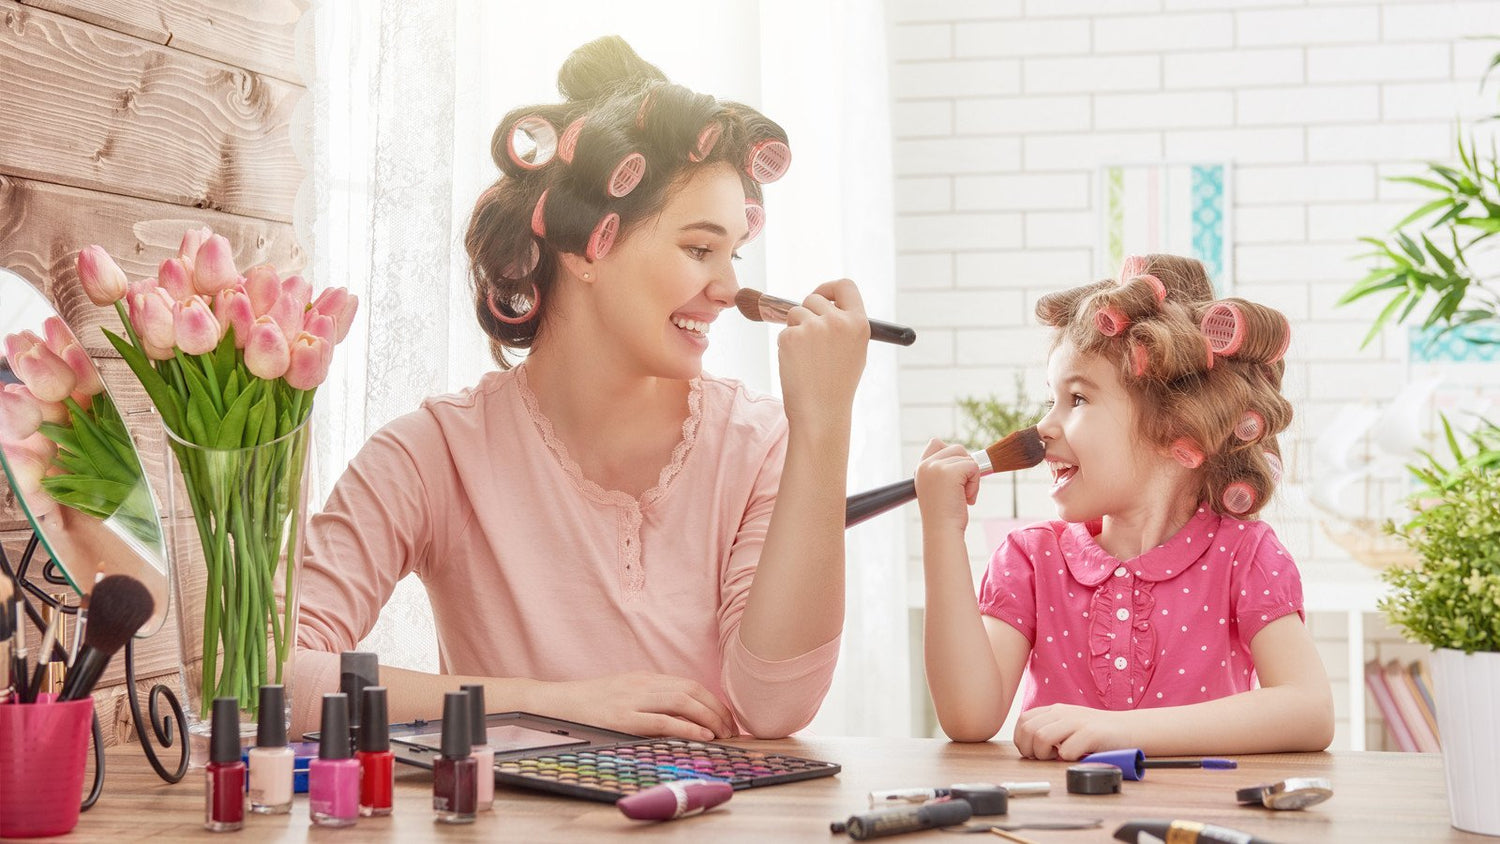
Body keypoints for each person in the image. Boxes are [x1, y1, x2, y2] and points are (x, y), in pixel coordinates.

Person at [292, 36, 870, 740]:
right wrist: (545, 701)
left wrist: (825, 423)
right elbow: (277, 677)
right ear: (581, 247)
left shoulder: (757, 445)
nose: (727, 290)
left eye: (733, 254)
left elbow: (775, 707)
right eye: (697, 249)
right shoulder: (434, 454)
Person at [913, 254, 1333, 758]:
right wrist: (941, 529)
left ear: (1174, 427)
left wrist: (1122, 731)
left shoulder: (1243, 557)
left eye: (1078, 400)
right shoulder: (1031, 560)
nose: (1044, 427)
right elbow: (968, 717)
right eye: (1052, 398)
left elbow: (1309, 710)